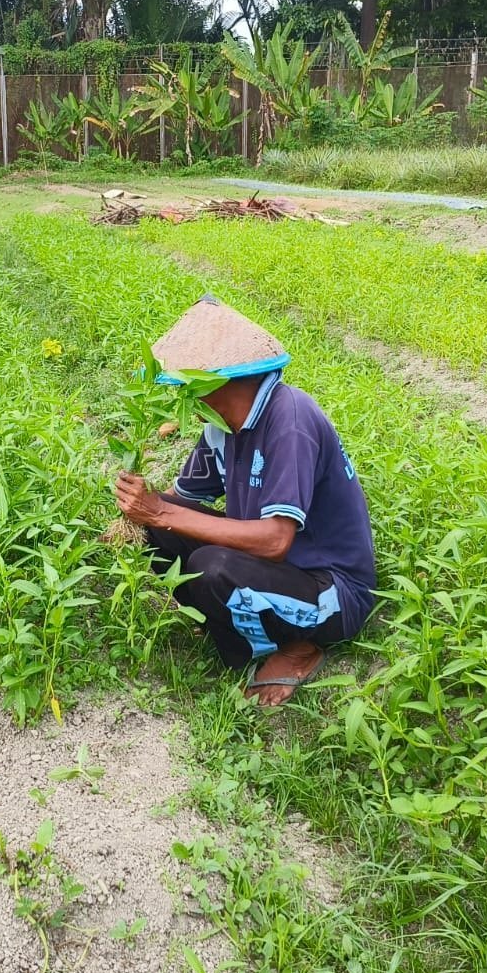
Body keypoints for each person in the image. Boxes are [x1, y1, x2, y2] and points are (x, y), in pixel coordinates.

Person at [113, 295, 377, 706]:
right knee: (160, 525)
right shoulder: (222, 426)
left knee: (212, 566)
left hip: (331, 591)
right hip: (276, 570)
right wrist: (145, 507)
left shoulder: (290, 419)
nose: (181, 397)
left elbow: (275, 540)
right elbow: (181, 502)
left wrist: (162, 511)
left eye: (186, 386)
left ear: (214, 383)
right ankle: (225, 617)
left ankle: (296, 646)